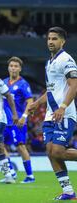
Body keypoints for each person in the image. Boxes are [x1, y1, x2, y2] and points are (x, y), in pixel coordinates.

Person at [28, 27, 77, 200]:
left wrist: (63, 106)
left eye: (54, 39)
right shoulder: (49, 62)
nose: (50, 41)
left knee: (57, 151)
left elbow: (74, 85)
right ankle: (69, 191)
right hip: (50, 114)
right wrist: (36, 103)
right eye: (49, 38)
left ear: (62, 41)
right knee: (50, 151)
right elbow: (50, 91)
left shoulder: (66, 59)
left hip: (64, 113)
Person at [1, 56, 35, 183]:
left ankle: (30, 175)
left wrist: (24, 117)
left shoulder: (23, 83)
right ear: (8, 68)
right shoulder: (3, 83)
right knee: (0, 145)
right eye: (11, 66)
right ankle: (11, 172)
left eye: (16, 66)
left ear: (20, 69)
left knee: (20, 146)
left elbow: (30, 101)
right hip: (5, 121)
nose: (13, 68)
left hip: (18, 121)